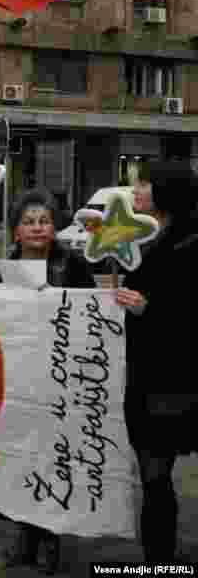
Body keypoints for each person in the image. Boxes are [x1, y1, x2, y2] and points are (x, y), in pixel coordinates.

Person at [0, 188, 94, 574]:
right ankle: (24, 536)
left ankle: (51, 538)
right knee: (21, 458)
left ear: (56, 227)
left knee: (54, 461)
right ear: (16, 231)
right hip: (18, 378)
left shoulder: (75, 264)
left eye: (44, 221)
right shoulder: (5, 266)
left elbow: (90, 315)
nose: (37, 227)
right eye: (29, 221)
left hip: (60, 381)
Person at [115, 160, 198, 564]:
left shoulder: (190, 243)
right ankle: (159, 559)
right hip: (146, 378)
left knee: (157, 474)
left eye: (143, 184)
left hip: (177, 382)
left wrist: (151, 309)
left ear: (166, 190)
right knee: (154, 478)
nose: (135, 191)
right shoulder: (144, 241)